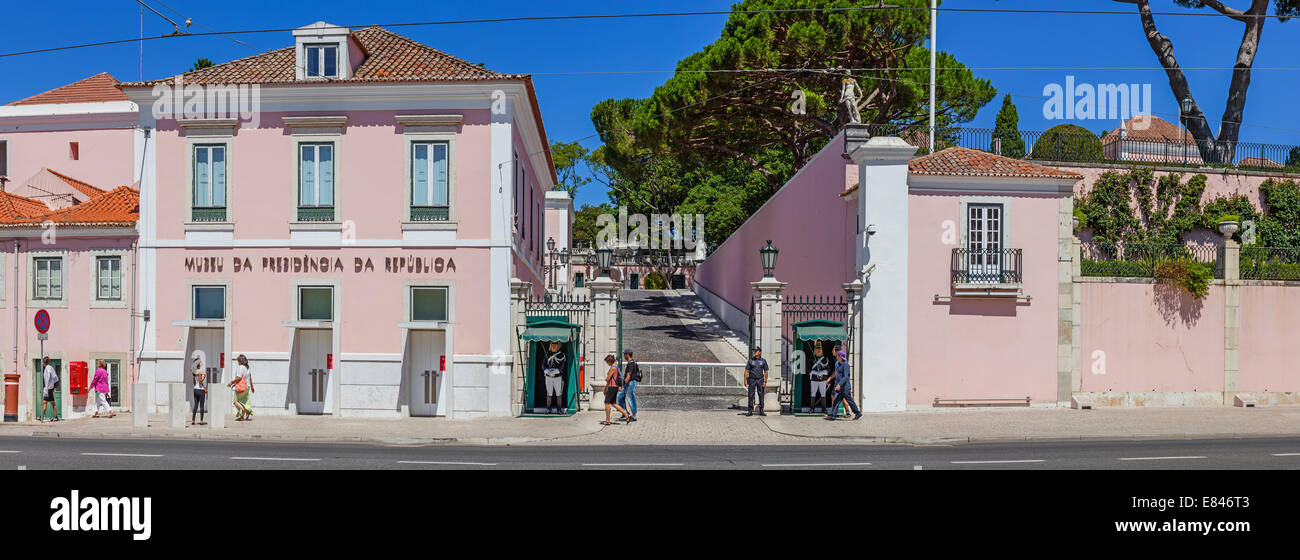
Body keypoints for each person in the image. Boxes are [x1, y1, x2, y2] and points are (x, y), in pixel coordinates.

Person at [825, 350, 862, 421]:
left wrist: (839, 384)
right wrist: (832, 381)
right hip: (839, 387)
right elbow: (836, 374)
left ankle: (857, 413)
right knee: (836, 401)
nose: (837, 357)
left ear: (841, 357)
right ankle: (833, 415)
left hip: (845, 387)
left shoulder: (846, 365)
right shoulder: (837, 364)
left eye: (838, 356)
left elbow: (846, 377)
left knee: (850, 401)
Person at [600, 354, 632, 426]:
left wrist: (606, 380)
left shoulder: (613, 368)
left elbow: (608, 379)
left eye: (607, 362)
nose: (607, 363)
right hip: (614, 387)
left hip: (612, 387)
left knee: (607, 403)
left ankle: (607, 420)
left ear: (609, 361)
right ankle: (627, 415)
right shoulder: (616, 367)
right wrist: (606, 388)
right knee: (613, 403)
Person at [227, 354, 253, 421]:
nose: (237, 362)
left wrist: (231, 382)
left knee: (235, 401)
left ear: (240, 361)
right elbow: (250, 379)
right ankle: (241, 417)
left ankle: (247, 411)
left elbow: (238, 377)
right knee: (242, 402)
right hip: (247, 387)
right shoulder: (247, 368)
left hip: (241, 387)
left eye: (238, 361)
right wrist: (252, 387)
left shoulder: (241, 367)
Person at [542, 341, 566, 414]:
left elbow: (562, 366)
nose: (553, 347)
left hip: (557, 377)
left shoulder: (561, 355)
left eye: (555, 345)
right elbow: (543, 364)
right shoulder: (547, 354)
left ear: (558, 346)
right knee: (549, 393)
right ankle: (548, 408)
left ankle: (559, 409)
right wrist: (546, 370)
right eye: (552, 345)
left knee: (558, 393)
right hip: (548, 376)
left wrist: (555, 371)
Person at [745, 347, 769, 417]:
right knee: (751, 395)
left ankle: (761, 410)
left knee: (761, 395)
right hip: (752, 379)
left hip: (760, 379)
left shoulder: (763, 361)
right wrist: (745, 381)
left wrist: (765, 381)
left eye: (756, 351)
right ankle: (750, 410)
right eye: (754, 351)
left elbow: (766, 372)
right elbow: (746, 371)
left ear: (760, 352)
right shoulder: (750, 360)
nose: (755, 352)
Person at [617, 350, 640, 422]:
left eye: (624, 354)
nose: (624, 356)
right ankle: (625, 413)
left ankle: (634, 415)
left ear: (628, 355)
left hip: (630, 383)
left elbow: (628, 376)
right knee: (620, 397)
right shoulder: (631, 363)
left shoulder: (631, 364)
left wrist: (623, 385)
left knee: (630, 398)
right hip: (629, 383)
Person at [809, 342, 831, 413]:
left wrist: (822, 372)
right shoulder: (812, 358)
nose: (819, 350)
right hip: (814, 379)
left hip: (822, 379)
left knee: (823, 393)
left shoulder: (825, 359)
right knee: (813, 393)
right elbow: (808, 368)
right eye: (817, 348)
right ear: (814, 349)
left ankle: (823, 409)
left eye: (820, 348)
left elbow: (828, 369)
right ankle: (812, 408)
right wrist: (814, 372)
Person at [39, 357, 59, 422]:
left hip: (48, 388)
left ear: (44, 362)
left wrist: (46, 389)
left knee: (45, 403)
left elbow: (47, 379)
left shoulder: (47, 368)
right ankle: (56, 417)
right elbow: (54, 377)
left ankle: (41, 417)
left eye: (42, 362)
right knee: (52, 403)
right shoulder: (50, 367)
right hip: (51, 387)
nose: (42, 364)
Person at [191, 357, 207, 426]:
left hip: (195, 389)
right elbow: (200, 381)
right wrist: (204, 376)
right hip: (201, 391)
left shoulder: (194, 372)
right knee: (202, 406)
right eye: (200, 362)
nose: (201, 363)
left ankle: (193, 420)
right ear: (198, 364)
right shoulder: (200, 371)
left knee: (195, 405)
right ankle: (201, 420)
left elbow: (194, 382)